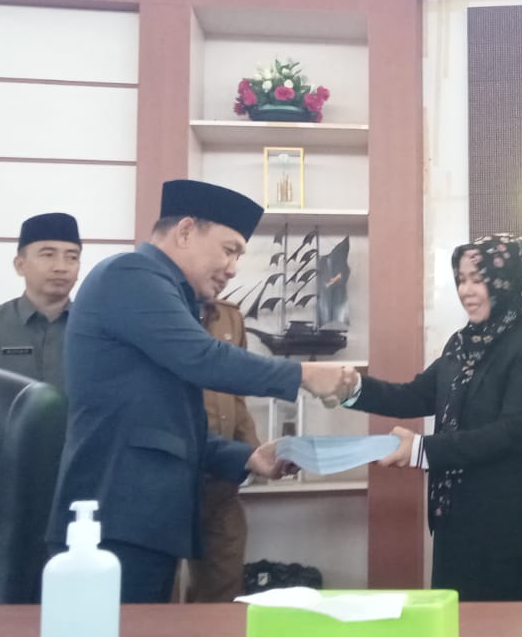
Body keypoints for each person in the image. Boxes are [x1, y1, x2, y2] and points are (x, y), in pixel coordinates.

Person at [47, 179, 326, 604]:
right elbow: (204, 358)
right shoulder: (130, 275)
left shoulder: (171, 295)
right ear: (185, 231)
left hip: (144, 522)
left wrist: (247, 456)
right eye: (229, 250)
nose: (233, 268)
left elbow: (166, 422)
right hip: (112, 518)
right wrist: (303, 375)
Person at [303, 234, 522, 601]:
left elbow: (515, 431)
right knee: (452, 621)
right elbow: (415, 395)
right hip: (454, 520)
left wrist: (422, 449)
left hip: (510, 526)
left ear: (509, 282)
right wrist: (352, 388)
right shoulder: (462, 343)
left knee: (506, 625)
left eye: (478, 279)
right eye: (461, 279)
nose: (466, 290)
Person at [182, 296, 261, 602]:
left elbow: (236, 393)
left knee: (224, 588)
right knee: (157, 598)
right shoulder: (160, 311)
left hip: (222, 479)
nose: (229, 272)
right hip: (169, 477)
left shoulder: (230, 317)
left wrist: (253, 452)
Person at [0, 212, 81, 388]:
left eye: (72, 257)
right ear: (20, 265)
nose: (61, 267)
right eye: (48, 255)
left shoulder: (94, 329)